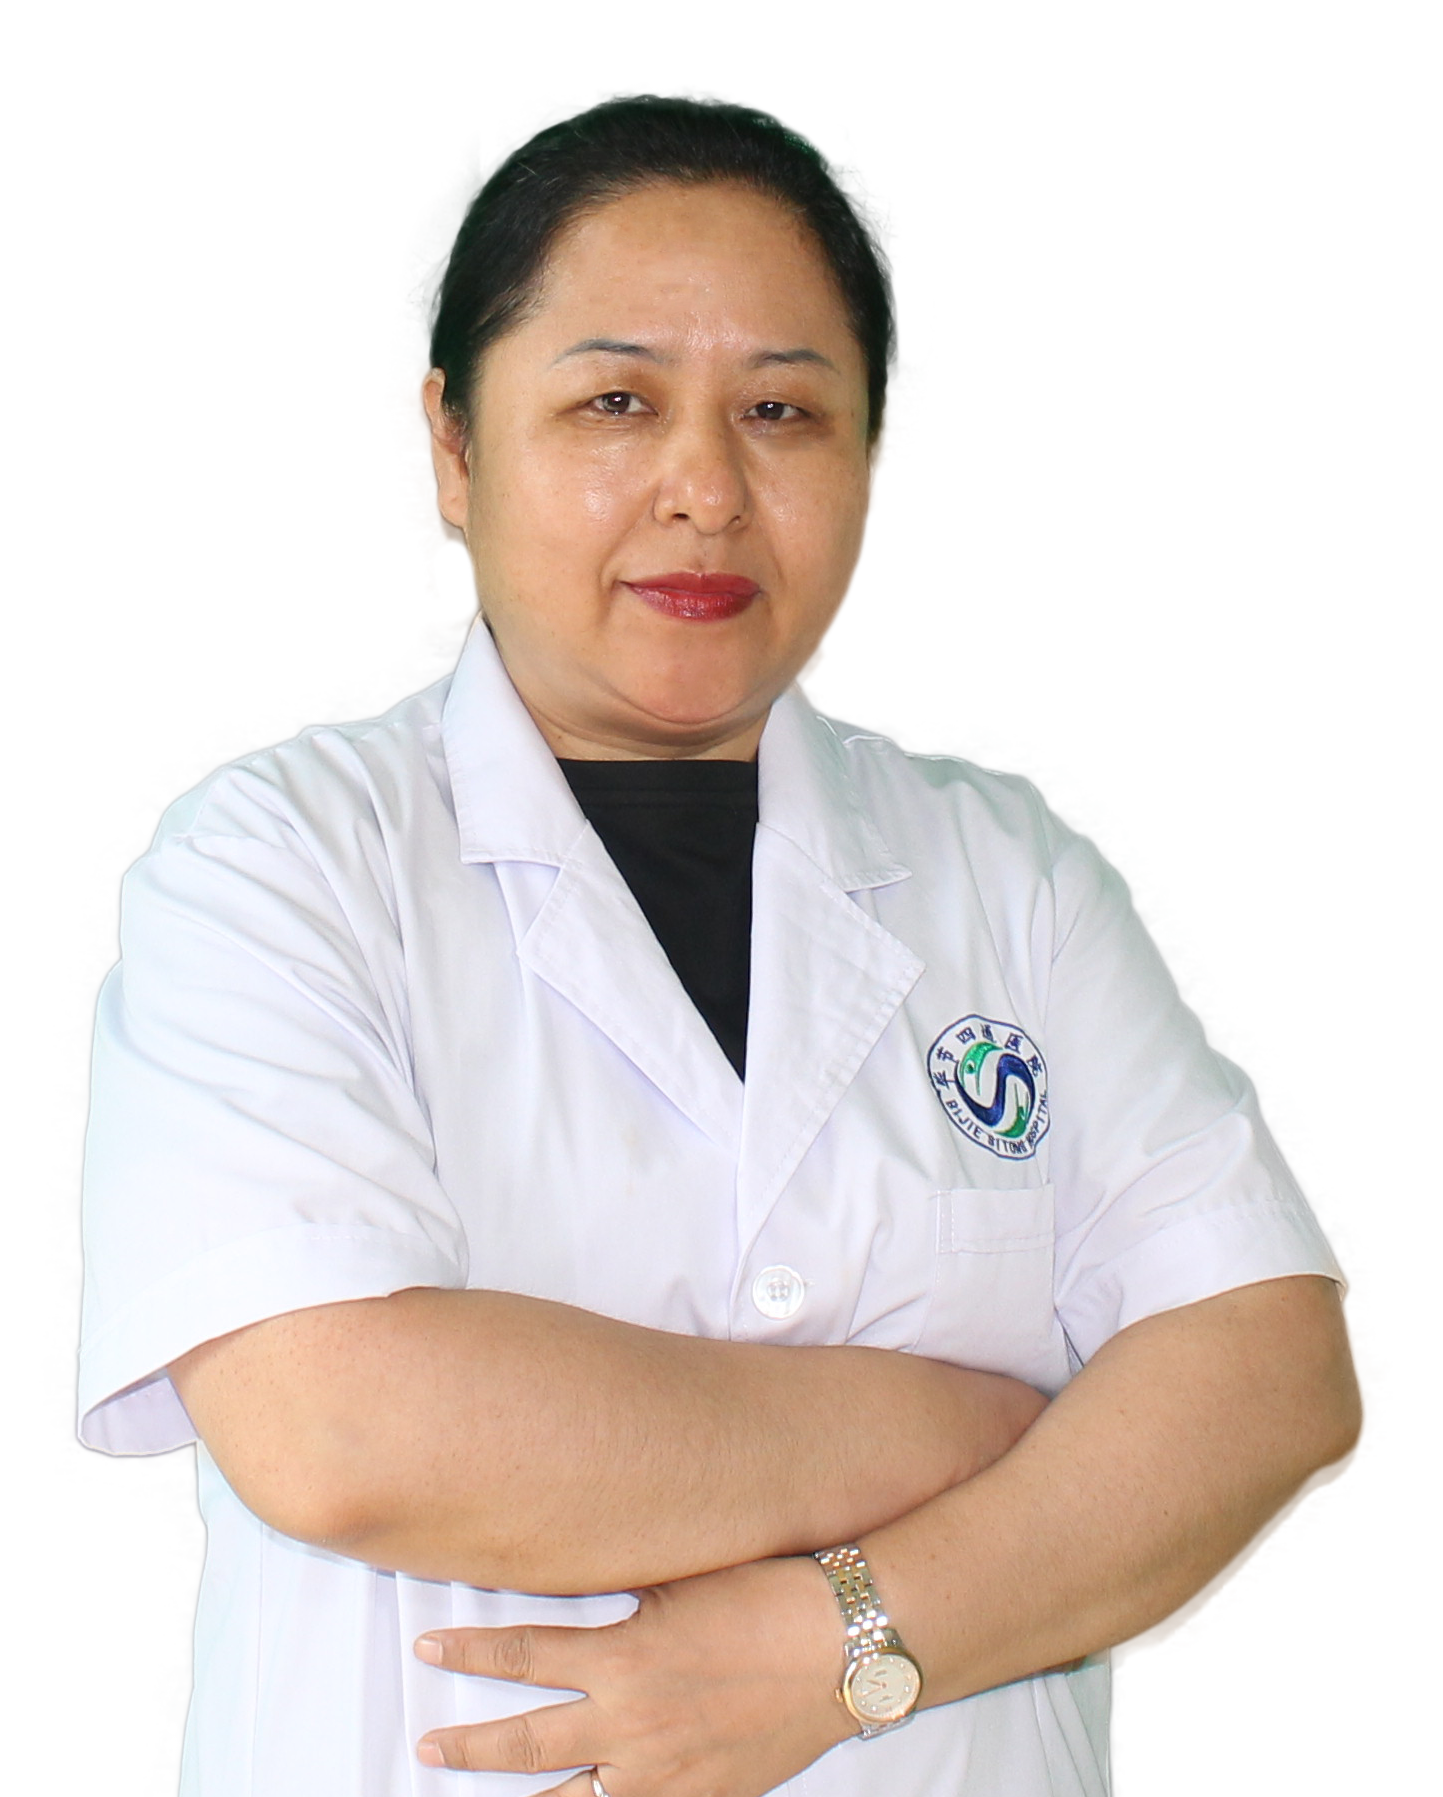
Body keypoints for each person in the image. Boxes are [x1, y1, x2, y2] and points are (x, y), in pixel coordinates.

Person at [77, 93, 1358, 1797]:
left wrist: (841, 1643)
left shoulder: (1009, 876)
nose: (705, 490)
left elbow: (1264, 1376)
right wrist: (976, 1433)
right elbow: (342, 1427)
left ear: (870, 466)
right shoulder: (277, 865)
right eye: (614, 402)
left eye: (781, 412)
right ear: (451, 449)